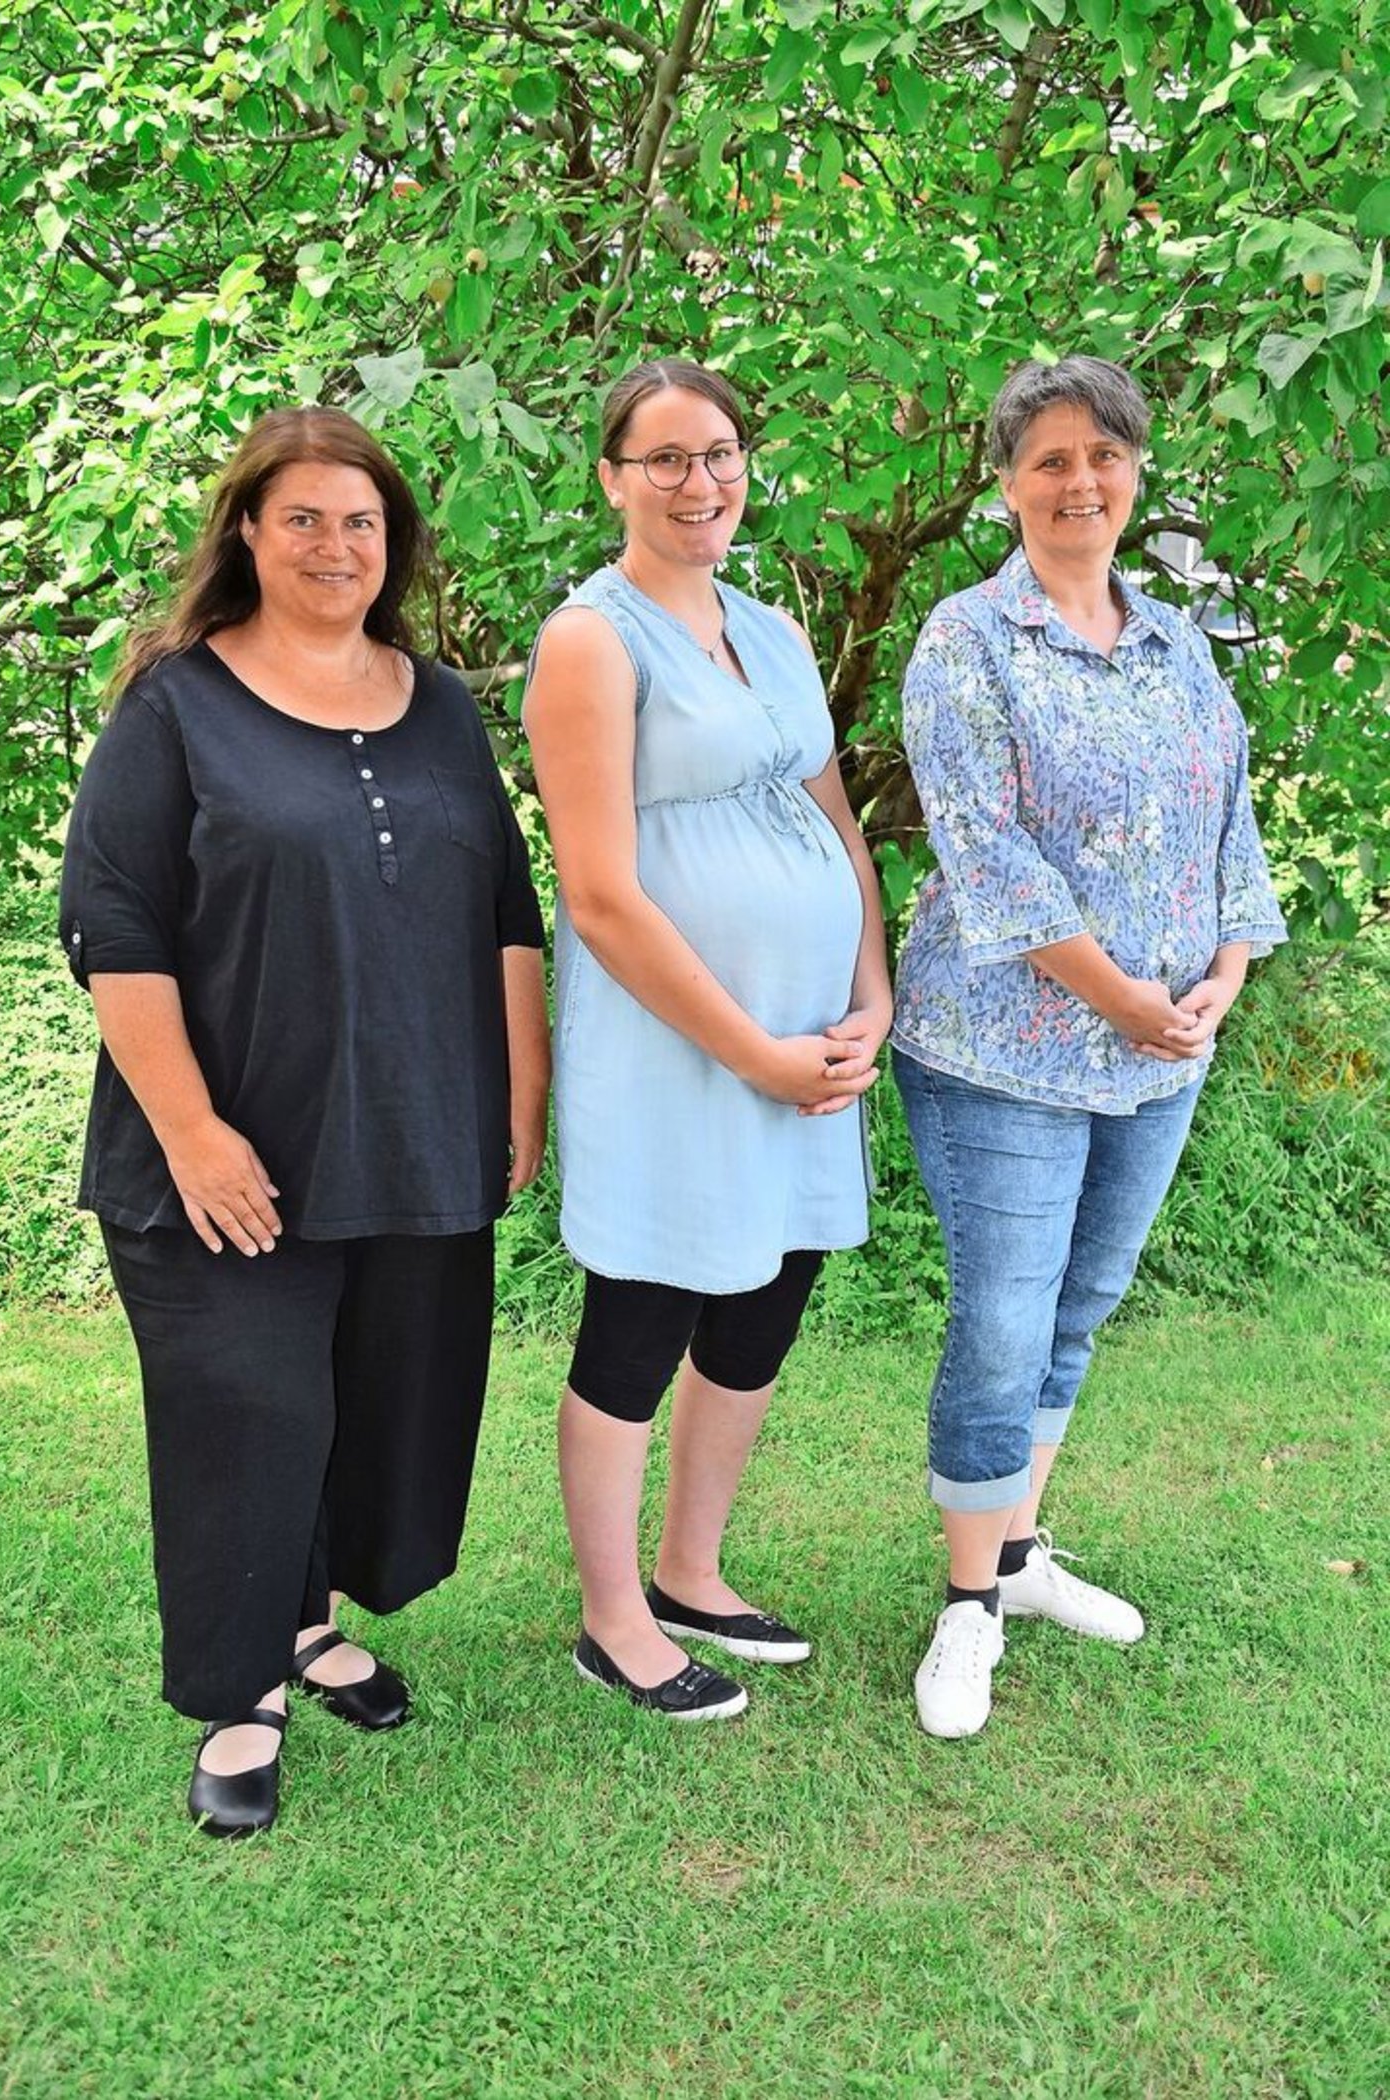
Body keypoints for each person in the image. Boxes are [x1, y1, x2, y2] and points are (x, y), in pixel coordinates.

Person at [59, 407, 549, 1833]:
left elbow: (508, 912)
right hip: (229, 1150)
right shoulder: (176, 704)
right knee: (249, 1411)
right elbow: (112, 924)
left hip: (413, 1132)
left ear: (390, 549)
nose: (335, 546)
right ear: (248, 536)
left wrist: (518, 1092)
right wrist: (195, 1132)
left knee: (377, 1405)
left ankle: (309, 1622)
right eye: (304, 519)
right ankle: (240, 1696)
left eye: (362, 523)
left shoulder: (443, 703)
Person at [891, 355, 1287, 1739]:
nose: (1080, 482)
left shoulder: (1178, 644)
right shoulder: (967, 641)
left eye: (1103, 457)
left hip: (1160, 1057)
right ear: (1007, 484)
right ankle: (966, 1607)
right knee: (1002, 1325)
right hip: (1003, 1053)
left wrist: (1226, 973)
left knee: (1076, 1317)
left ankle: (1020, 1548)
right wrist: (1119, 991)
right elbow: (983, 851)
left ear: (1135, 473)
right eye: (1049, 460)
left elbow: (1231, 820)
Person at [523, 357, 890, 1720]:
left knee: (768, 1292)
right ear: (614, 478)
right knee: (648, 1304)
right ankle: (614, 1620)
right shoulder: (591, 639)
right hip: (682, 1049)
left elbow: (834, 822)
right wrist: (752, 1049)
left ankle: (693, 1569)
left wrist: (872, 990)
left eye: (720, 452)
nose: (700, 482)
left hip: (807, 1046)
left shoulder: (774, 629)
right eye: (665, 458)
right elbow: (603, 895)